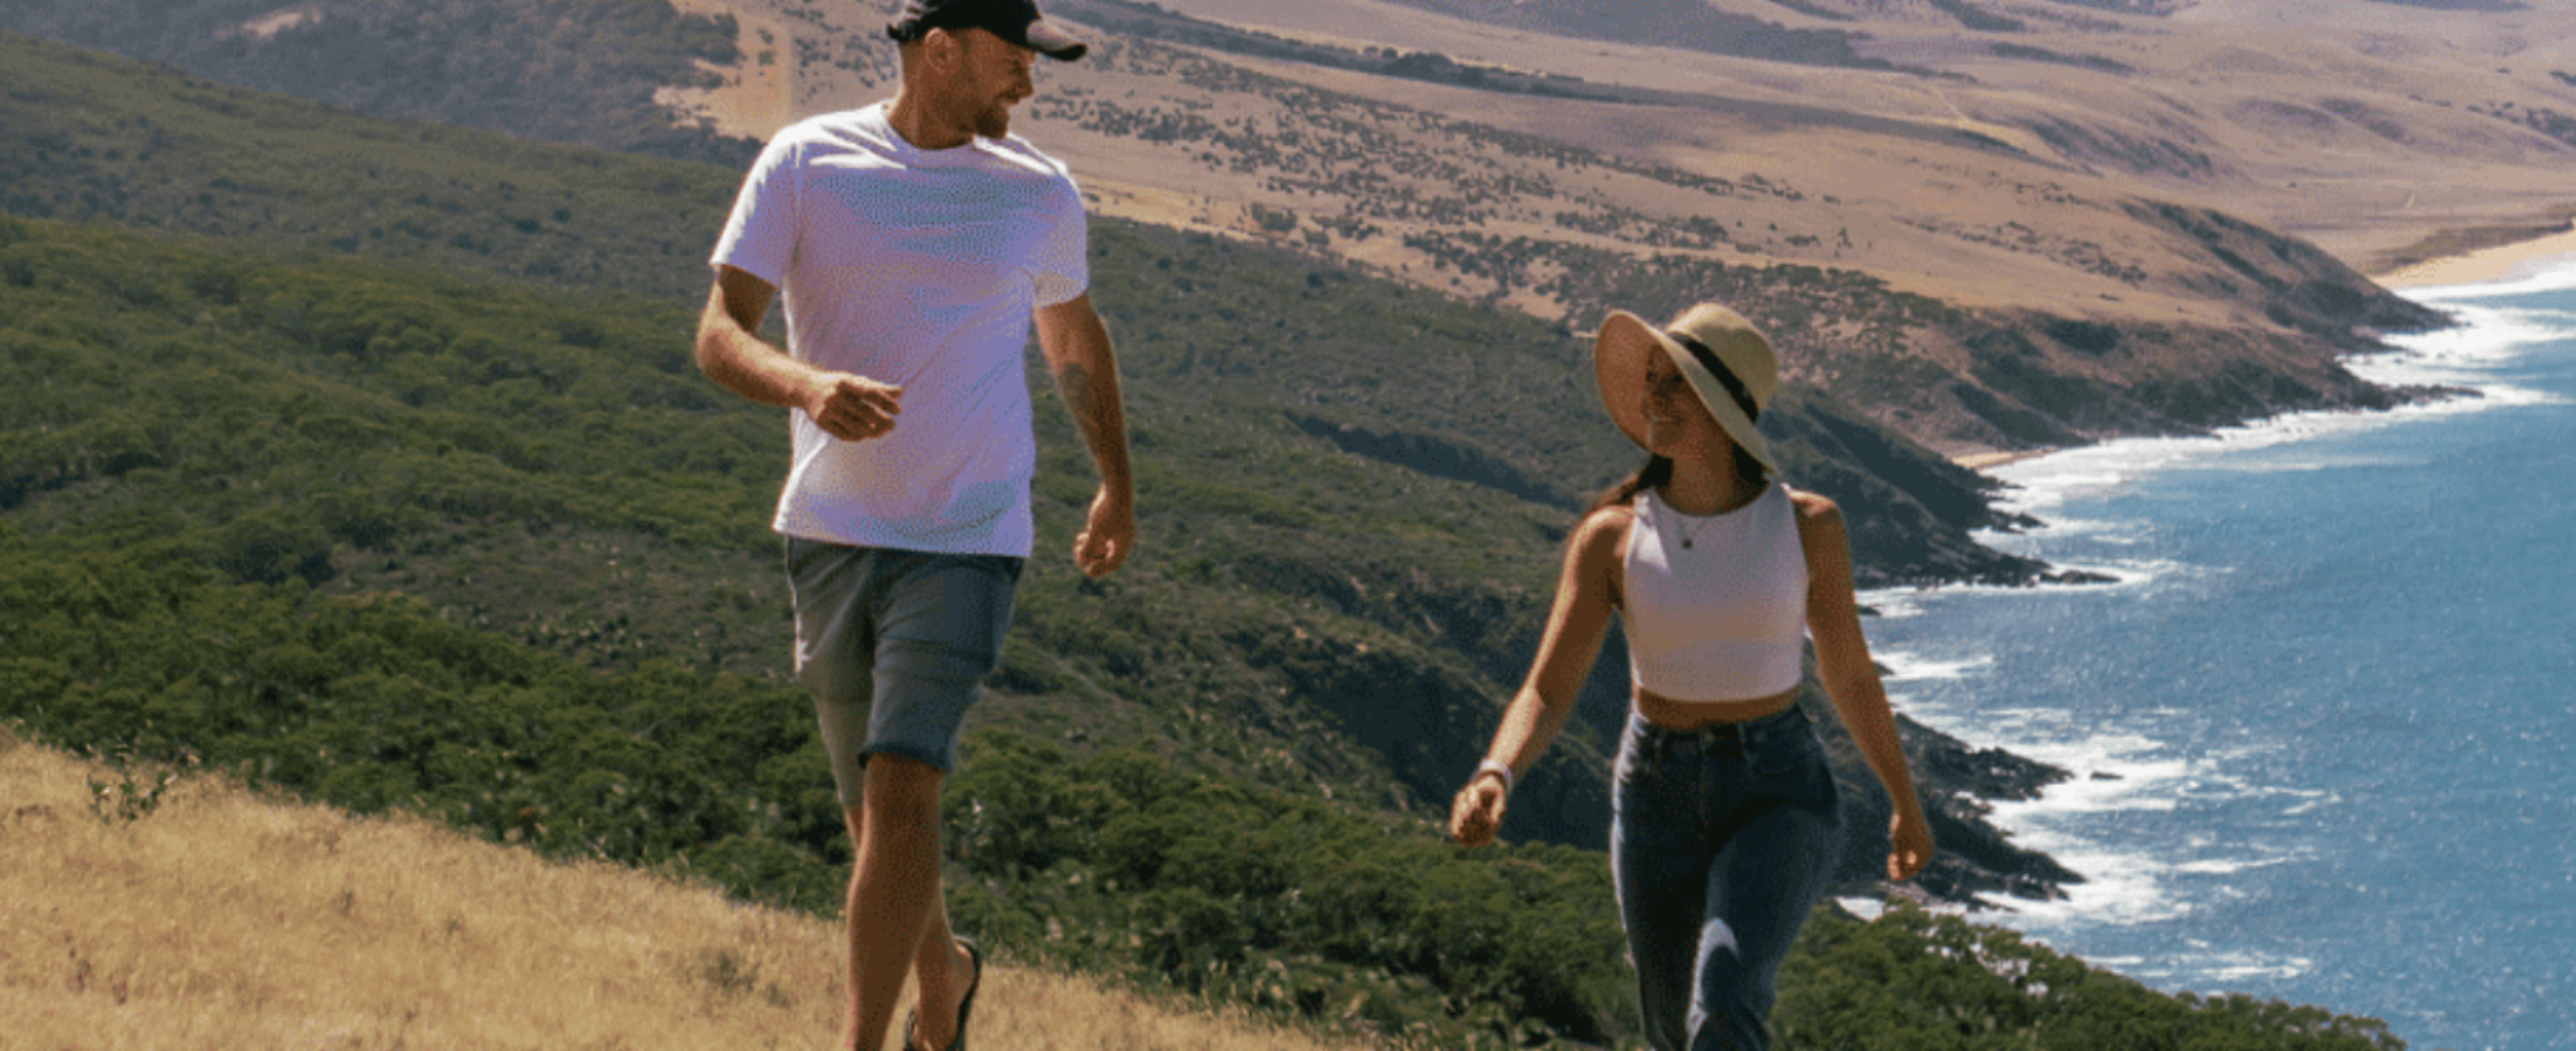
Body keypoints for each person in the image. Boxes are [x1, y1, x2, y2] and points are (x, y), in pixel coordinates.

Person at [692, 2, 1132, 1048]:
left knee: (903, 783)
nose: (1027, 80)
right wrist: (803, 386)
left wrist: (1115, 480)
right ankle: (948, 968)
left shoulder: (1040, 192)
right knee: (874, 817)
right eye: (1012, 58)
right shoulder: (805, 161)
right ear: (940, 51)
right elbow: (718, 334)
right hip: (832, 530)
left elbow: (1072, 336)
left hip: (972, 534)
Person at [1447, 302, 1933, 1051]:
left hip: (1779, 790)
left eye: (1677, 382)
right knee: (1673, 1033)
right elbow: (1547, 688)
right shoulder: (1611, 538)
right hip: (1656, 793)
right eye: (1651, 380)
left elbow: (1849, 672)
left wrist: (1905, 801)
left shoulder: (1809, 527)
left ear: (1724, 406)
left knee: (1727, 998)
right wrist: (1495, 773)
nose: (1654, 398)